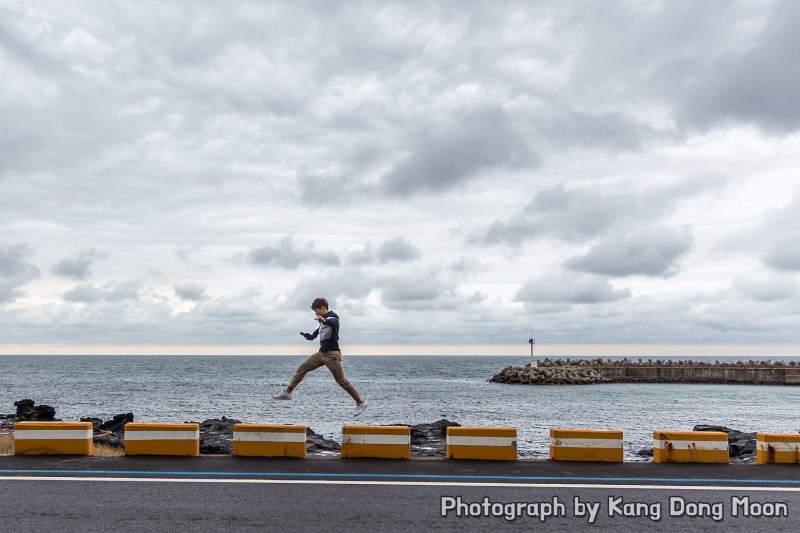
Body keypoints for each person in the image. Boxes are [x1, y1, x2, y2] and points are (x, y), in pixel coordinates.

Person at [273, 297, 367, 417]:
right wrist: (309, 336)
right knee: (302, 368)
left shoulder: (333, 318)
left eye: (317, 311)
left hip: (332, 355)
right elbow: (316, 333)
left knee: (342, 381)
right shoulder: (322, 322)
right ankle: (287, 393)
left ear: (323, 308)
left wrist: (324, 320)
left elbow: (331, 322)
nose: (316, 314)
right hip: (321, 354)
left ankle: (361, 403)